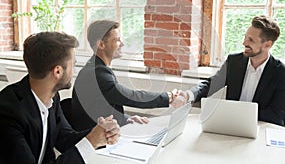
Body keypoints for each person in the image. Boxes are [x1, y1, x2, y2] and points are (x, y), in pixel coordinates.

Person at [0, 32, 120, 163]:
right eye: (73, 64)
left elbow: (65, 138)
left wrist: (100, 134)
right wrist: (91, 141)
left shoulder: (51, 96)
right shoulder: (7, 112)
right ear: (57, 71)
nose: (74, 70)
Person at [176, 15, 285, 126]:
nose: (244, 43)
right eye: (245, 37)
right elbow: (212, 84)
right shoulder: (234, 61)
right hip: (231, 126)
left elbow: (278, 117)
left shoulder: (283, 73)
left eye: (251, 40)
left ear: (267, 44)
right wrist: (188, 95)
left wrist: (238, 112)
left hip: (260, 130)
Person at [72, 20, 185, 130]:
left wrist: (127, 120)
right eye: (117, 40)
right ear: (101, 44)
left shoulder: (97, 68)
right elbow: (130, 96)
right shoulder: (97, 73)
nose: (122, 44)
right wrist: (169, 97)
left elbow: (102, 108)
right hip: (93, 141)